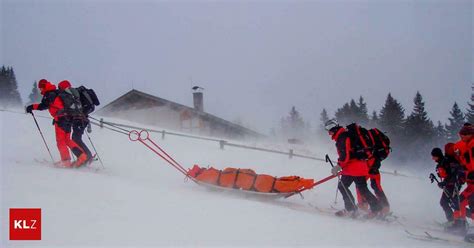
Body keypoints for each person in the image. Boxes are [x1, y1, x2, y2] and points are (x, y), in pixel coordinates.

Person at [325, 119, 382, 217]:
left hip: (353, 168)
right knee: (361, 188)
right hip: (357, 166)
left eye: (329, 131)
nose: (329, 134)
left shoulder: (342, 137)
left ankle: (352, 209)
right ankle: (375, 208)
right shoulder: (345, 135)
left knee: (344, 186)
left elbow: (345, 155)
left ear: (333, 129)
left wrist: (338, 166)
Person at [26, 79, 88, 167]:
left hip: (61, 119)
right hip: (69, 118)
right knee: (67, 140)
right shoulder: (57, 92)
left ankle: (66, 161)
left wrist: (31, 107)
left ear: (44, 87)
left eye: (40, 88)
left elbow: (43, 106)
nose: (40, 91)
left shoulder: (49, 94)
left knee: (60, 141)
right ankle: (82, 156)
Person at [58, 80, 93, 163]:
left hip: (79, 119)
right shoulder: (75, 93)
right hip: (82, 118)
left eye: (60, 87)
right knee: (76, 138)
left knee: (75, 138)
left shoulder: (69, 95)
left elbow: (73, 107)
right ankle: (87, 156)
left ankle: (87, 156)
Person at [449, 124, 474, 234]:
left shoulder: (472, 144)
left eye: (464, 135)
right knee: (461, 201)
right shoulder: (468, 144)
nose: (461, 137)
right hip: (471, 181)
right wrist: (462, 168)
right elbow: (467, 162)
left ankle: (461, 225)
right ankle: (460, 225)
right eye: (461, 135)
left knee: (465, 202)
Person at [431, 146, 462, 224]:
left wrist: (444, 182)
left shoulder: (446, 162)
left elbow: (451, 174)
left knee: (451, 203)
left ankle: (455, 221)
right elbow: (444, 175)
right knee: (448, 202)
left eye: (434, 156)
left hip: (453, 185)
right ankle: (453, 220)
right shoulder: (441, 163)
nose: (433, 159)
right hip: (449, 185)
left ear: (438, 155)